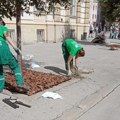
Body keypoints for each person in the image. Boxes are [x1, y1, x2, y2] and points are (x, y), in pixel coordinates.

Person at [0, 17, 28, 93]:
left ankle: (0, 88)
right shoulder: (3, 27)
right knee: (15, 66)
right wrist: (15, 48)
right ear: (1, 21)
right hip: (2, 48)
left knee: (0, 70)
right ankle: (20, 83)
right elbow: (7, 36)